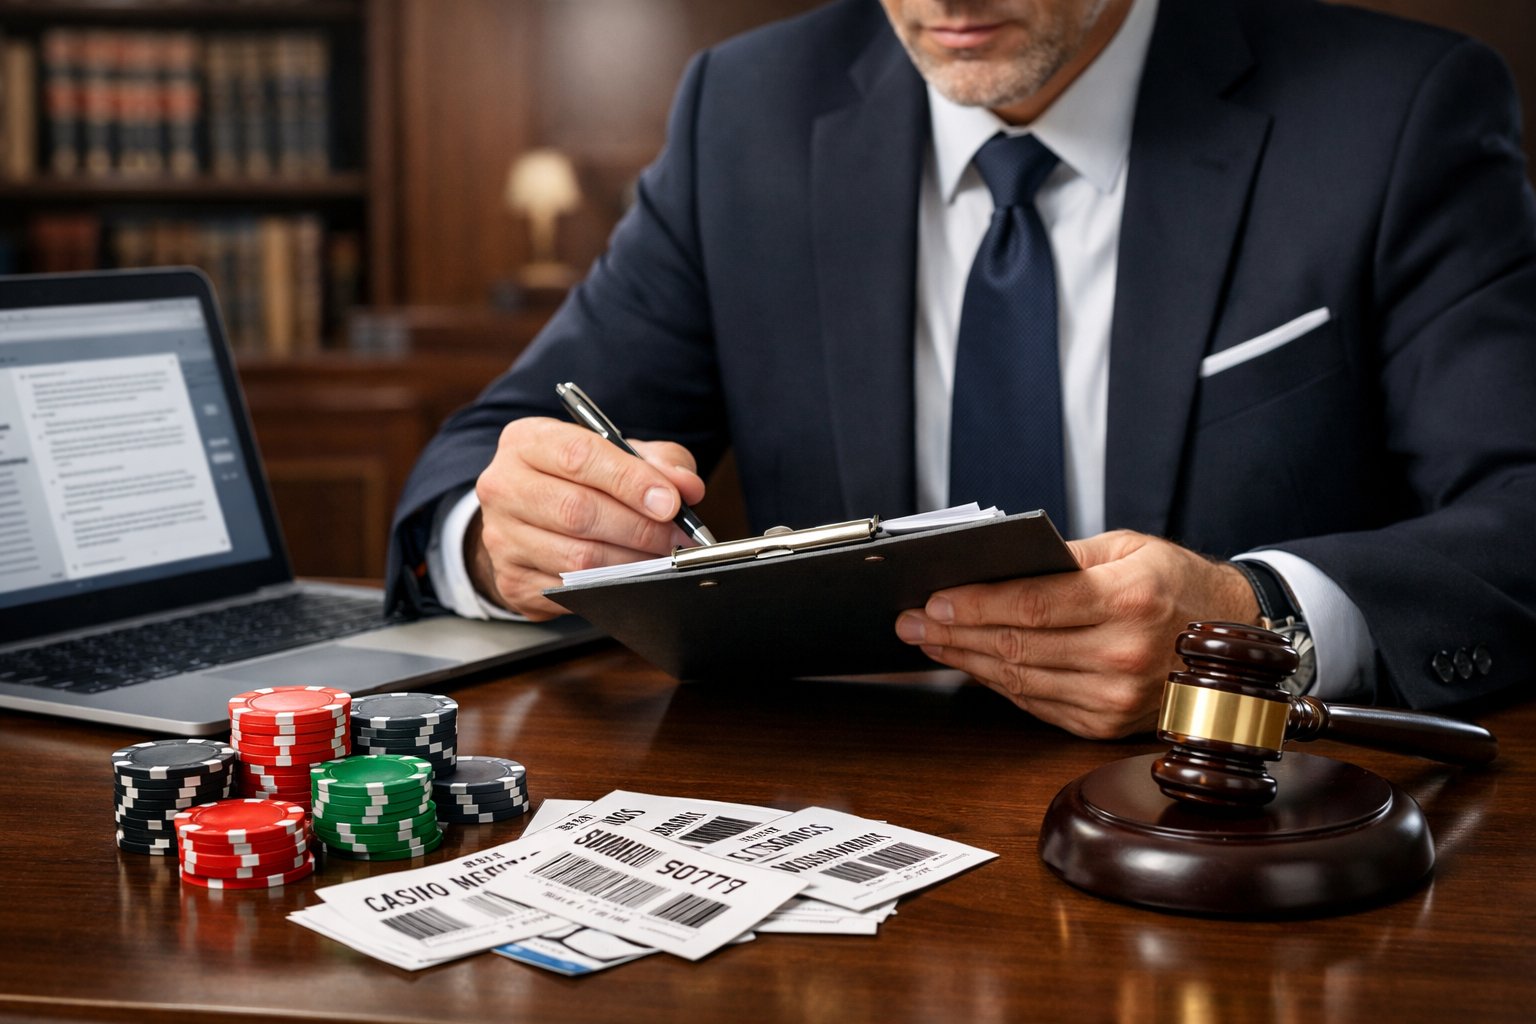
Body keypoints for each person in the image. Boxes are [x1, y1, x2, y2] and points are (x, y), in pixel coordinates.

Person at [387, 0, 1536, 740]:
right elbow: (479, 464)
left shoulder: (1397, 112)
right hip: (848, 822)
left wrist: (1257, 626)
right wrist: (506, 538)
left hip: (1238, 828)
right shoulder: (744, 115)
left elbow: (1520, 506)